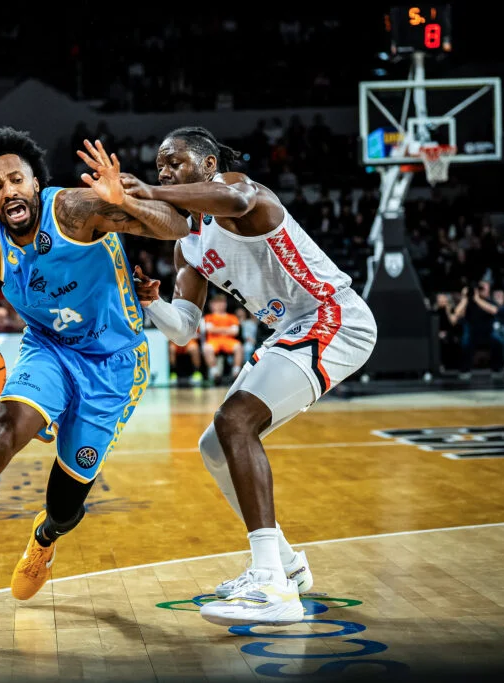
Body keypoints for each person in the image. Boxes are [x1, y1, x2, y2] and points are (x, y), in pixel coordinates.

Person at [0, 126, 189, 638]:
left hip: (114, 362)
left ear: (35, 183)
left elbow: (177, 226)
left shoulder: (75, 210)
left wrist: (126, 203)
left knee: (65, 505)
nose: (8, 191)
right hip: (48, 350)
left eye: (16, 180)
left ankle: (45, 537)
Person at [125, 126, 377, 626]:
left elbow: (235, 200)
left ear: (209, 165)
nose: (165, 172)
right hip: (293, 329)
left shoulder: (238, 189)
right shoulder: (187, 245)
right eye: (159, 167)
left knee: (235, 421)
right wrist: (153, 304)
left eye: (175, 162)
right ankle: (286, 565)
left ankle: (271, 586)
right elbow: (184, 330)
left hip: (333, 316)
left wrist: (149, 192)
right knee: (214, 446)